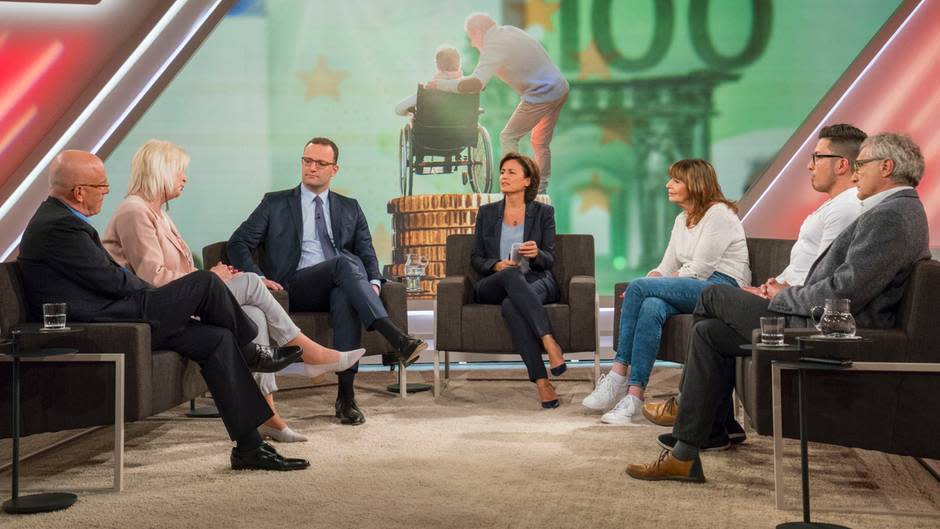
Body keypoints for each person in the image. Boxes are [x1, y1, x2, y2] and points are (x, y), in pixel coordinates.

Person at [628, 132, 931, 483]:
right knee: (709, 332)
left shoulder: (891, 216)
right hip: (822, 319)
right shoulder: (894, 210)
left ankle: (694, 409)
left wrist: (780, 298)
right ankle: (692, 447)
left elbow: (844, 293)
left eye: (862, 165)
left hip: (832, 332)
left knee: (712, 296)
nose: (857, 173)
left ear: (887, 167)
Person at [17, 150, 310, 471]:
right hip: (106, 322)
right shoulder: (60, 227)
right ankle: (252, 350)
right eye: (101, 186)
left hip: (114, 312)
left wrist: (169, 299)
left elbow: (106, 278)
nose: (107, 192)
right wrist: (167, 297)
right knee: (206, 283)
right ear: (78, 192)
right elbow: (111, 281)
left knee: (217, 339)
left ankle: (249, 447)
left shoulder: (62, 221)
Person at [102, 140, 366, 443]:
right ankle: (311, 352)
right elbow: (153, 278)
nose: (184, 179)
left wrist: (211, 278)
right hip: (156, 309)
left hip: (181, 300)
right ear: (161, 172)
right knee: (253, 283)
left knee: (255, 314)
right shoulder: (134, 212)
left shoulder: (158, 213)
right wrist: (209, 276)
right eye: (180, 172)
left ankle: (268, 415)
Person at [228, 137, 427, 426]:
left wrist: (372, 281)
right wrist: (258, 278)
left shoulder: (350, 207)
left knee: (345, 295)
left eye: (320, 163)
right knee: (343, 263)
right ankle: (395, 337)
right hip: (294, 286)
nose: (311, 168)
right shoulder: (276, 202)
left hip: (341, 284)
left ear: (334, 169)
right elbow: (238, 243)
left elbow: (366, 251)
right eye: (307, 161)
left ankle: (346, 398)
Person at [581, 159, 750, 424]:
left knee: (639, 288)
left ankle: (617, 373)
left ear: (695, 184)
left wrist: (645, 287)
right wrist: (651, 282)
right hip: (694, 284)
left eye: (676, 180)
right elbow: (666, 265)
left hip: (722, 287)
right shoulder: (682, 219)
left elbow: (701, 270)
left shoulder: (719, 213)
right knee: (651, 305)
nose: (667, 185)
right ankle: (634, 397)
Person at [430, 12, 568, 193]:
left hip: (541, 94)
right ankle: (540, 189)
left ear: (478, 32)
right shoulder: (509, 32)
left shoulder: (493, 46)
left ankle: (515, 186)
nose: (472, 43)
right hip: (560, 87)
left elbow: (475, 83)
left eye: (472, 37)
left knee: (508, 137)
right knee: (540, 142)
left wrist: (440, 84)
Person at [471, 153, 564, 408]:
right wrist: (497, 264)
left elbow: (549, 259)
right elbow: (476, 257)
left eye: (511, 172)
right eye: (502, 171)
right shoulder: (487, 213)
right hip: (495, 282)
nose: (504, 176)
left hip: (535, 279)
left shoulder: (543, 213)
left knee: (512, 306)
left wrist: (536, 254)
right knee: (509, 273)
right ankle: (548, 340)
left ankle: (542, 382)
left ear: (527, 180)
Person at [743, 124, 864, 298]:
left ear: (841, 165)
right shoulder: (836, 204)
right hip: (789, 295)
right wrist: (766, 288)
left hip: (798, 302)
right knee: (710, 320)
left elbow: (824, 275)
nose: (810, 166)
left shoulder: (847, 207)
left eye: (817, 157)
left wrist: (779, 294)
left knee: (713, 295)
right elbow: (800, 267)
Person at [395, 45, 462, 116]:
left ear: (438, 65)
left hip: (429, 125)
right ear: (458, 64)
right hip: (461, 126)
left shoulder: (430, 88)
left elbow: (399, 109)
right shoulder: (467, 88)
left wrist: (410, 114)